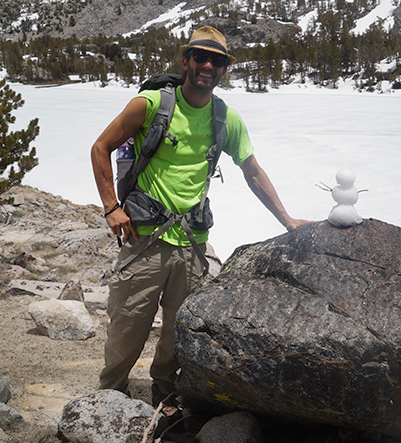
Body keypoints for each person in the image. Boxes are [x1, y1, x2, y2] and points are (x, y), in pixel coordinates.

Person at [90, 25, 310, 405]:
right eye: (201, 57)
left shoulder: (226, 119)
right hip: (145, 240)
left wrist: (287, 220)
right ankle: (108, 397)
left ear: (225, 69)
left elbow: (252, 170)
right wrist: (111, 207)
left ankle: (164, 394)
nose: (208, 65)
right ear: (185, 60)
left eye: (218, 60)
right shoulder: (151, 104)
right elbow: (101, 147)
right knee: (128, 329)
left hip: (191, 244)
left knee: (178, 335)